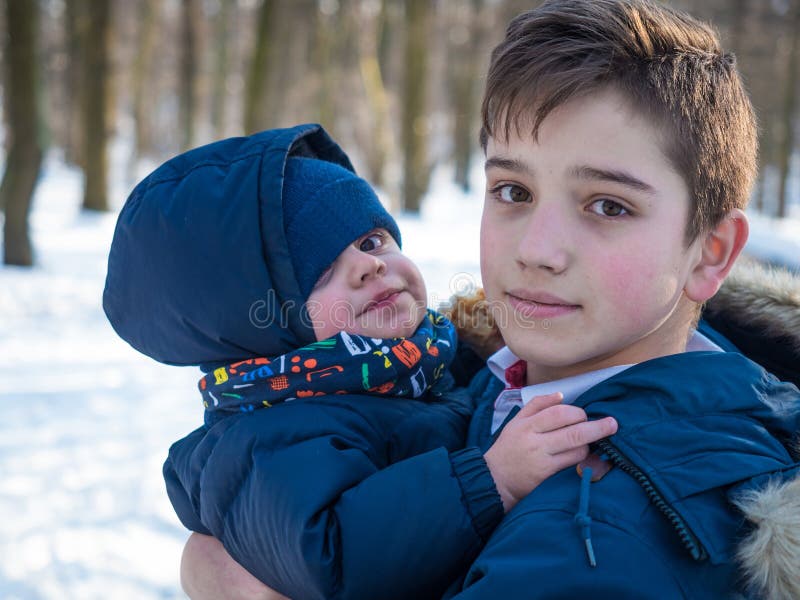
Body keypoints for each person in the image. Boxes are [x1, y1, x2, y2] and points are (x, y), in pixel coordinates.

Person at [178, 1, 800, 598]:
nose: (537, 250)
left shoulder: (599, 538)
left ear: (712, 251)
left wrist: (231, 584)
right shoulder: (467, 375)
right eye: (513, 190)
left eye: (608, 205)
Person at [102, 123, 615, 599]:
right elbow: (334, 558)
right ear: (265, 333)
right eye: (321, 272)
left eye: (371, 240)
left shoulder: (426, 362)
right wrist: (493, 479)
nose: (370, 266)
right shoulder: (264, 440)